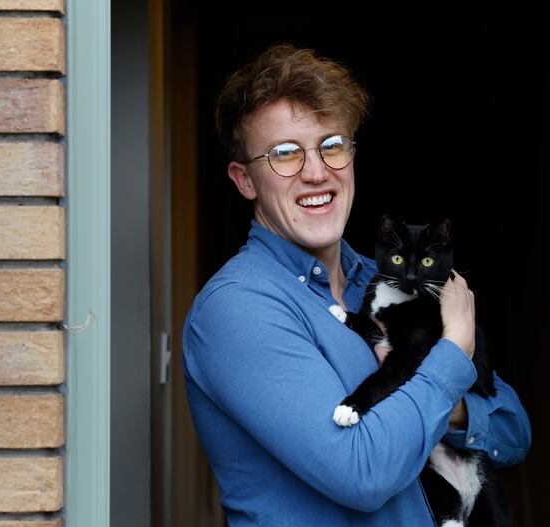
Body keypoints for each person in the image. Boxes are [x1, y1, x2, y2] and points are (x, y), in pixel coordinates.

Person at [182, 43, 531, 526]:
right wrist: (452, 351)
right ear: (245, 180)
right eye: (285, 154)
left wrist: (442, 405)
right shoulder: (238, 309)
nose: (316, 172)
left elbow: (513, 431)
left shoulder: (381, 279)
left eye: (332, 145)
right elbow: (364, 473)